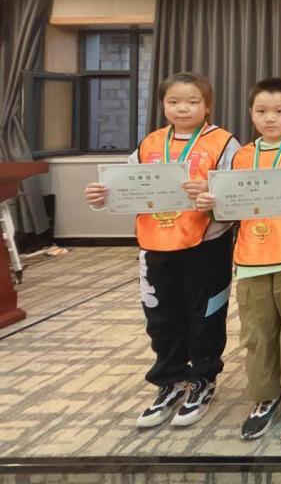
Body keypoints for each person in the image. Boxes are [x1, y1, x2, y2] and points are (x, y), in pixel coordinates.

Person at [84, 72, 239, 430]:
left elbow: (235, 194)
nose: (183, 108)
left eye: (192, 102)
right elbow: (123, 188)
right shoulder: (150, 143)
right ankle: (171, 379)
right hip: (155, 244)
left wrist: (213, 195)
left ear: (207, 106)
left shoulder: (223, 142)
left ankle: (203, 379)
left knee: (205, 315)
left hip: (206, 244)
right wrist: (101, 196)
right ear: (162, 105)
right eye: (174, 102)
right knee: (161, 316)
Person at [196, 78, 281, 442]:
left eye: (279, 111)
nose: (270, 118)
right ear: (251, 114)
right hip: (252, 257)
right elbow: (226, 209)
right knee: (257, 332)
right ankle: (265, 396)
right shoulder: (241, 156)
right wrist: (211, 205)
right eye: (261, 111)